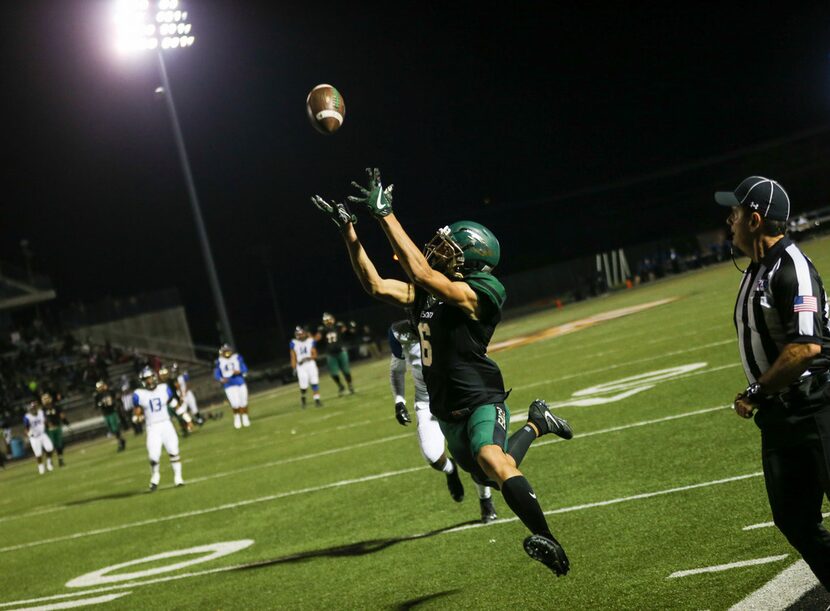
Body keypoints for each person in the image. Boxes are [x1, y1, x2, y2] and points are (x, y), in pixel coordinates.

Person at [311, 168, 574, 575]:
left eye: (450, 248)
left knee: (491, 458)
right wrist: (349, 232)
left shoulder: (482, 292)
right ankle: (537, 424)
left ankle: (550, 541)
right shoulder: (427, 294)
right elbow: (377, 286)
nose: (439, 250)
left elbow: (421, 273)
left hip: (480, 399)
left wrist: (386, 216)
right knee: (488, 473)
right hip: (446, 409)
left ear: (472, 261)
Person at [717, 176, 830, 590]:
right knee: (793, 519)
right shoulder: (755, 271)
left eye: (735, 212)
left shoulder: (792, 267)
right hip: (781, 417)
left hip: (816, 405)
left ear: (755, 218)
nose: (729, 220)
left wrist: (757, 391)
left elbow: (805, 348)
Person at [389, 319, 497, 522]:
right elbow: (397, 368)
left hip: (457, 398)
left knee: (475, 455)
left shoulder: (445, 320)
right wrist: (399, 401)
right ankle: (450, 469)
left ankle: (485, 500)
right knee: (432, 457)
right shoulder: (398, 332)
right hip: (427, 403)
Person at [132, 366, 183, 490]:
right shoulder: (140, 394)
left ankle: (178, 477)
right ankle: (155, 475)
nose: (149, 381)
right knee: (154, 456)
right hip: (152, 427)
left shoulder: (163, 388)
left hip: (166, 424)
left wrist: (185, 416)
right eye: (146, 379)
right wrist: (136, 418)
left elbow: (173, 402)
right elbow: (137, 412)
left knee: (174, 451)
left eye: (150, 378)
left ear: (154, 377)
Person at [315, 313, 355, 396]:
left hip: (341, 351)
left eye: (329, 319)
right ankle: (340, 386)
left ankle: (350, 385)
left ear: (332, 319)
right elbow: (317, 338)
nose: (328, 322)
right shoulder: (322, 330)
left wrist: (351, 328)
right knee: (334, 374)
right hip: (330, 354)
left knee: (346, 371)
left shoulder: (338, 326)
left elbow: (348, 332)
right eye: (326, 320)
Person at [215, 344, 250, 428]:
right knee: (235, 403)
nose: (227, 353)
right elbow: (217, 373)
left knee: (243, 402)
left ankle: (245, 417)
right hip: (229, 384)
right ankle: (237, 418)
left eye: (228, 350)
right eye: (225, 351)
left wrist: (240, 371)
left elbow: (244, 369)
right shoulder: (219, 361)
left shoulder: (237, 357)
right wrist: (221, 379)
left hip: (239, 381)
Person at [289, 326, 322, 407]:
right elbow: (293, 356)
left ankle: (317, 400)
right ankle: (303, 397)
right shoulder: (293, 343)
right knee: (304, 385)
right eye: (298, 334)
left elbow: (315, 355)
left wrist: (309, 357)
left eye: (302, 334)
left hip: (310, 363)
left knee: (314, 382)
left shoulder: (310, 341)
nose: (300, 336)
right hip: (301, 366)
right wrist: (293, 368)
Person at [159, 364, 191, 436]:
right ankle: (173, 433)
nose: (163, 376)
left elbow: (177, 387)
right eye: (162, 375)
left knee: (180, 416)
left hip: (174, 400)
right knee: (169, 419)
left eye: (164, 374)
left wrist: (180, 397)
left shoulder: (171, 380)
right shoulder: (159, 384)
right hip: (166, 403)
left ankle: (185, 429)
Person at [94, 380, 126, 452]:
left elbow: (117, 397)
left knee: (115, 428)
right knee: (111, 429)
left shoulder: (109, 392)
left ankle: (120, 442)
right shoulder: (98, 396)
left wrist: (115, 403)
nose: (99, 389)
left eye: (100, 387)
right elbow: (96, 406)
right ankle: (121, 440)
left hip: (112, 412)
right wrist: (100, 404)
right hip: (105, 414)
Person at [23, 400, 54, 475]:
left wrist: (49, 425)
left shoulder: (41, 412)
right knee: (38, 454)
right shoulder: (27, 417)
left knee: (50, 448)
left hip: (42, 434)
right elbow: (26, 428)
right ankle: (41, 466)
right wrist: (28, 434)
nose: (34, 409)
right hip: (34, 437)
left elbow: (45, 420)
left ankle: (49, 462)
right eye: (33, 408)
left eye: (35, 407)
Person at [43, 392, 70, 465]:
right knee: (49, 446)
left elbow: (62, 415)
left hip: (57, 427)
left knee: (59, 444)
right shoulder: (42, 409)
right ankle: (49, 460)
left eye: (47, 398)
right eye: (45, 399)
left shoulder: (56, 406)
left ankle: (60, 459)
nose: (46, 400)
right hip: (48, 430)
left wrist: (66, 423)